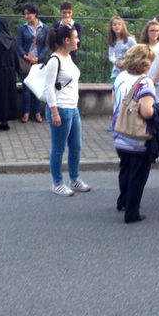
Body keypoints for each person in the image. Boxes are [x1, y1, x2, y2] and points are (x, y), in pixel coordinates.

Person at [112, 44, 157, 223]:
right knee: (138, 173)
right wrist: (158, 111)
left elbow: (114, 101)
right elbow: (146, 112)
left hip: (119, 131)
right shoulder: (144, 82)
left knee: (125, 168)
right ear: (146, 63)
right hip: (136, 135)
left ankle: (122, 200)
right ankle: (132, 212)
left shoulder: (121, 77)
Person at [44, 24, 90, 196]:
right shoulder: (54, 60)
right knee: (58, 148)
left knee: (76, 146)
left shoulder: (69, 57)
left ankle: (74, 179)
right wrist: (54, 112)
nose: (78, 40)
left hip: (73, 108)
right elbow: (49, 89)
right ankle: (57, 183)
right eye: (76, 37)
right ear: (67, 40)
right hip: (61, 109)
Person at [17, 3, 48, 123]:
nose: (26, 16)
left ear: (35, 13)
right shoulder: (22, 28)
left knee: (37, 87)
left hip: (39, 62)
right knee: (26, 87)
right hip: (26, 62)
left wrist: (38, 58)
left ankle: (37, 112)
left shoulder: (44, 28)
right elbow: (18, 44)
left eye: (28, 13)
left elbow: (46, 45)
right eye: (25, 14)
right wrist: (24, 55)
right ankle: (26, 112)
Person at [140, 20, 159, 101]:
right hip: (144, 81)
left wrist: (152, 82)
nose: (154, 33)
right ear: (147, 32)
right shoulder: (143, 46)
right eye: (152, 30)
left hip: (158, 82)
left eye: (157, 30)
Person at [108, 16, 137, 84]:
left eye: (119, 24)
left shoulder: (129, 39)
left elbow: (137, 52)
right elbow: (111, 55)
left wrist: (124, 61)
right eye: (114, 24)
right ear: (112, 27)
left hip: (128, 69)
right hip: (117, 70)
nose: (116, 26)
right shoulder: (112, 41)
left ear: (122, 26)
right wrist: (115, 61)